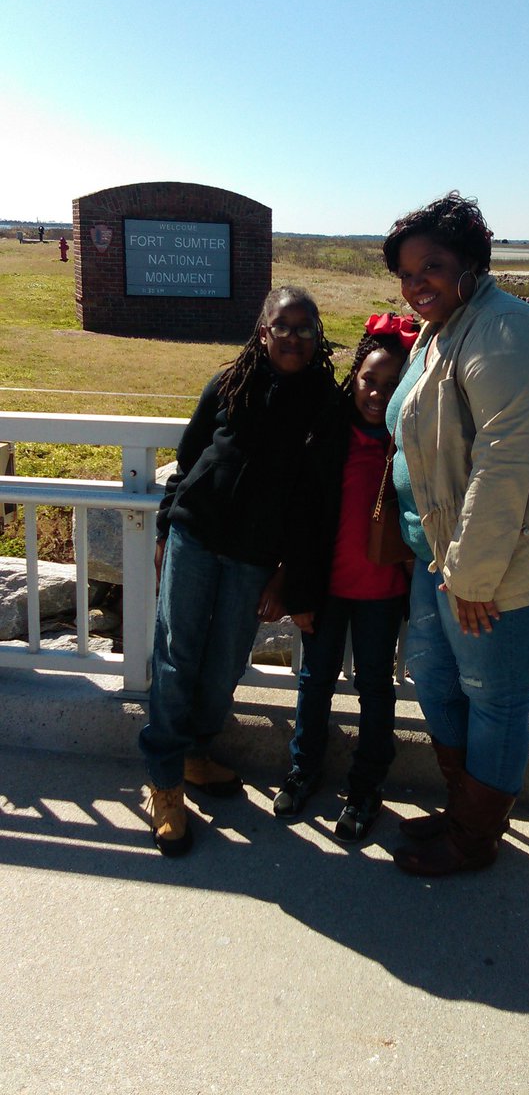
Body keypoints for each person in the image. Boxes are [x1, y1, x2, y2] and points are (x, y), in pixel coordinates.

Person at [382, 192, 529, 878]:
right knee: (436, 677)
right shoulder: (439, 328)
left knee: (494, 695)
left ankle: (476, 840)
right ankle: (466, 810)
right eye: (405, 271)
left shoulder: (504, 329)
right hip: (441, 552)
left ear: (470, 263)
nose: (415, 282)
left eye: (431, 265)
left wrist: (474, 576)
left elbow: (504, 463)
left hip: (510, 551)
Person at [139, 286, 339, 857]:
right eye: (283, 326)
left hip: (255, 556)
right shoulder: (228, 384)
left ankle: (197, 751)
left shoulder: (324, 405)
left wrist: (286, 576)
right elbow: (190, 455)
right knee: (177, 654)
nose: (294, 336)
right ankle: (166, 778)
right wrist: (164, 528)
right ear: (263, 330)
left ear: (317, 334)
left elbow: (312, 504)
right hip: (195, 535)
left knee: (227, 657)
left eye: (306, 327)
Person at [273, 313, 419, 841]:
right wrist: (297, 590)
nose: (378, 394)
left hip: (384, 592)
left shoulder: (411, 444)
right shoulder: (327, 432)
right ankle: (303, 768)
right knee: (314, 683)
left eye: (393, 386)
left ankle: (366, 787)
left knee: (376, 688)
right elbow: (302, 518)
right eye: (370, 381)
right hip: (326, 591)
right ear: (353, 376)